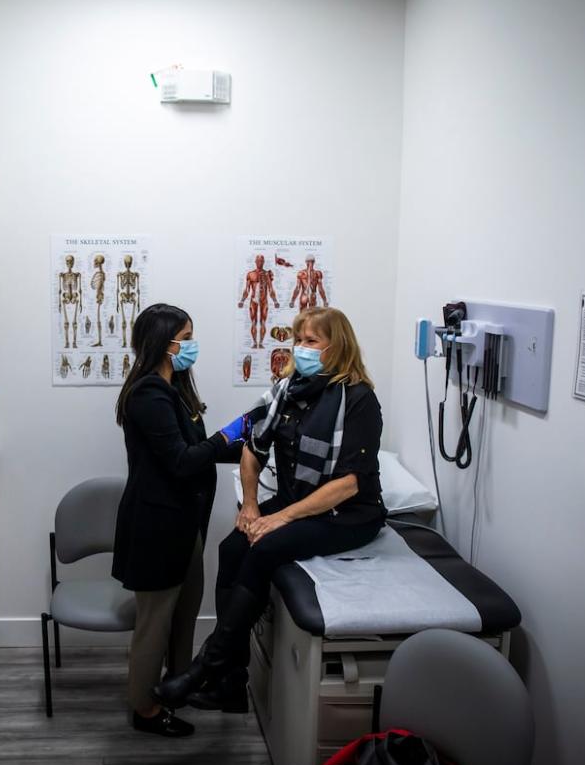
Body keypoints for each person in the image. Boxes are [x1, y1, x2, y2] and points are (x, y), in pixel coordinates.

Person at [154, 307, 387, 713]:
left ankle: (206, 665)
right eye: (299, 339)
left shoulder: (360, 400)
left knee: (263, 550)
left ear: (338, 346)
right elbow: (252, 448)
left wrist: (278, 518)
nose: (301, 348)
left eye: (311, 340)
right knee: (232, 547)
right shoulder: (287, 391)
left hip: (348, 514)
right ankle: (231, 682)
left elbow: (349, 483)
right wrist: (250, 505)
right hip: (299, 499)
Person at [113, 303, 246, 737]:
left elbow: (197, 447)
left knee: (184, 613)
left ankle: (174, 688)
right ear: (163, 344)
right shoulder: (149, 394)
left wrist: (250, 440)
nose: (191, 345)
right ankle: (144, 709)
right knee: (155, 622)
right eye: (185, 337)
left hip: (184, 524)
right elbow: (182, 460)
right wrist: (230, 434)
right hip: (158, 527)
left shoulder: (175, 390)